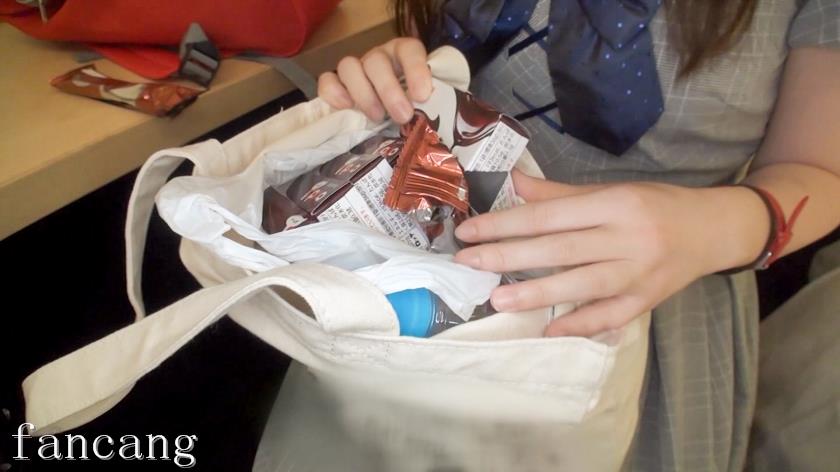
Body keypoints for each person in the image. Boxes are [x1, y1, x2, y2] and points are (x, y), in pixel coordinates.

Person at [262, 0, 840, 470]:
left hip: (645, 313)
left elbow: (819, 170)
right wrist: (403, 86)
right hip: (422, 280)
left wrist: (706, 228)